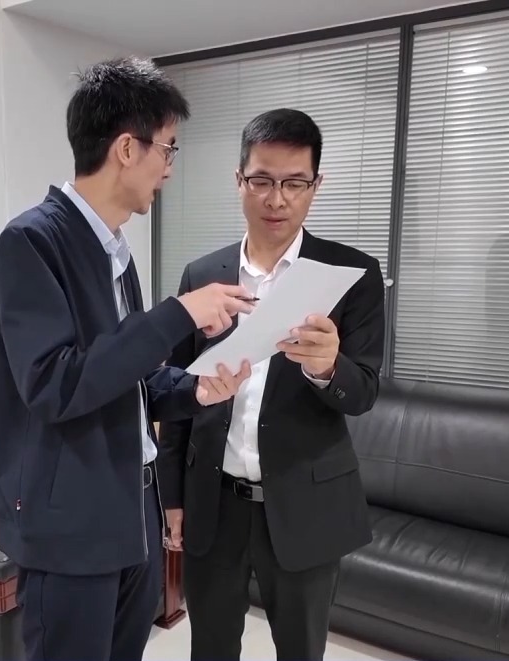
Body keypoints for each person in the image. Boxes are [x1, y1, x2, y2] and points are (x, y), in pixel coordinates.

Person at [0, 56, 255, 661]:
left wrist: (195, 388)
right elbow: (54, 384)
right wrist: (178, 314)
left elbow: (131, 375)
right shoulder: (30, 243)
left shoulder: (116, 252)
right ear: (127, 148)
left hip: (133, 512)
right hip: (69, 530)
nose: (170, 168)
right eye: (168, 149)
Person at [158, 108, 385, 661]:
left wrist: (327, 367)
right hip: (214, 502)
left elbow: (363, 392)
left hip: (306, 504)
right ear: (239, 180)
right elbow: (178, 391)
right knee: (210, 648)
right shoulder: (202, 275)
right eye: (261, 180)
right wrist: (172, 495)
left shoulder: (350, 275)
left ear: (315, 185)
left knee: (301, 651)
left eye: (294, 183)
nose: (276, 199)